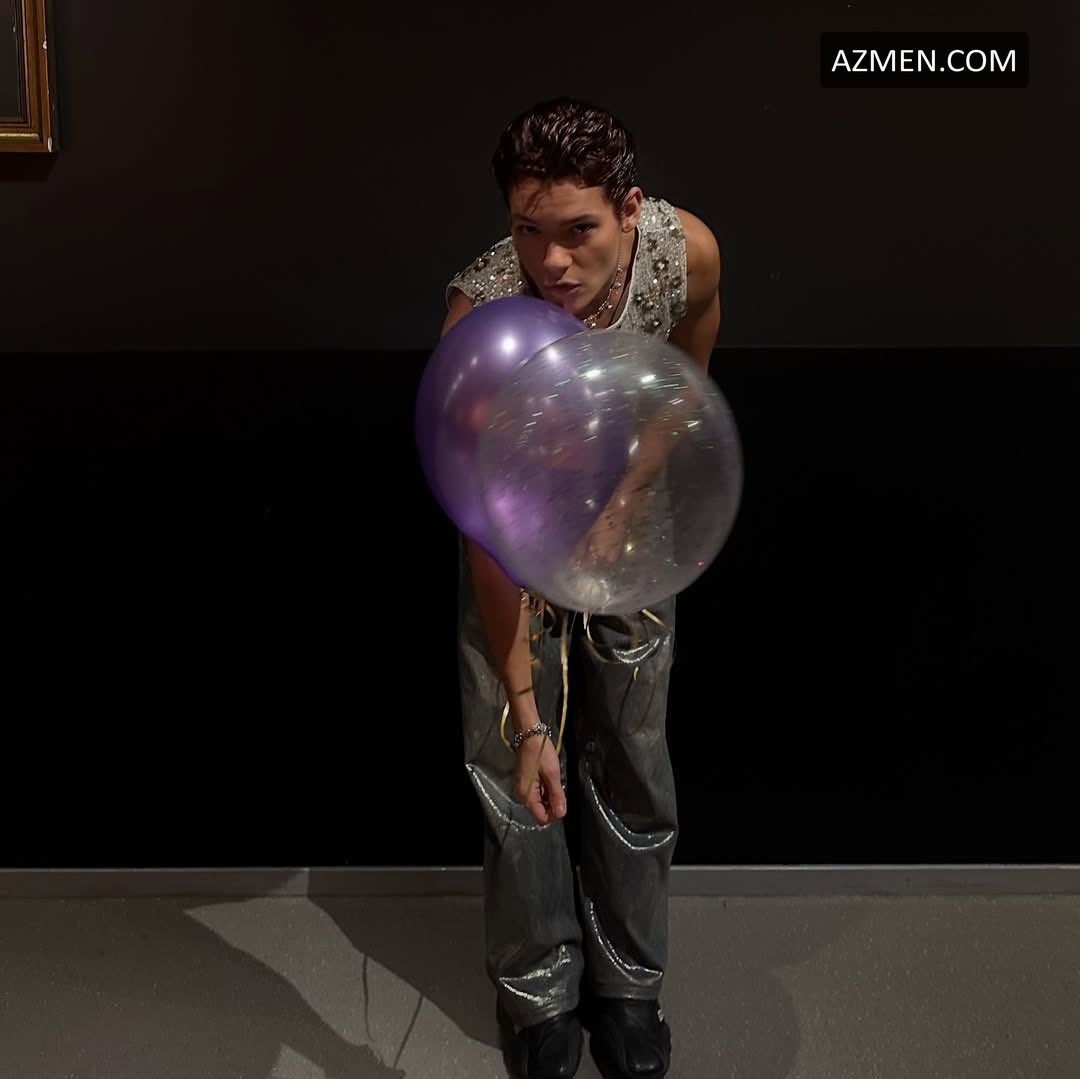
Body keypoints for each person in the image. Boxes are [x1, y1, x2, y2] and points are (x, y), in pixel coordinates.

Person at [439, 97, 721, 1079]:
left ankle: (628, 984)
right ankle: (538, 996)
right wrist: (526, 711)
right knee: (517, 763)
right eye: (529, 230)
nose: (552, 261)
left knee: (634, 749)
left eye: (578, 230)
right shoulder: (482, 316)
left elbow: (684, 380)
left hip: (634, 516)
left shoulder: (683, 254)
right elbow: (481, 524)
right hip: (515, 529)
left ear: (630, 209)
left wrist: (627, 498)